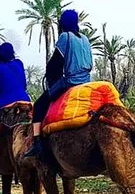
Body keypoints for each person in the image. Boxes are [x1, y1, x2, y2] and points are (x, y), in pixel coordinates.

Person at [24, 9, 93, 158]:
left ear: (62, 23)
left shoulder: (65, 37)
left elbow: (56, 62)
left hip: (70, 82)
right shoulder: (85, 39)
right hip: (87, 82)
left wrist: (51, 74)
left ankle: (37, 143)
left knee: (39, 105)